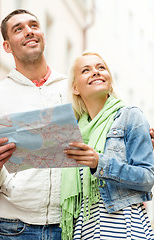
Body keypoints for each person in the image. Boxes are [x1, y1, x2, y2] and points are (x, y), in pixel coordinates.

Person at [0, 9, 67, 240]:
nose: (29, 31)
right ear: (7, 46)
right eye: (18, 29)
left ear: (42, 34)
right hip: (13, 229)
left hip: (70, 225)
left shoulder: (72, 90)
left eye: (33, 25)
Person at [60, 52, 154, 240]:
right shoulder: (72, 133)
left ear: (109, 81)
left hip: (124, 229)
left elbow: (147, 178)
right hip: (86, 231)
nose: (95, 72)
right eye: (86, 70)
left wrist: (99, 163)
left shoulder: (130, 116)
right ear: (75, 88)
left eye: (101, 68)